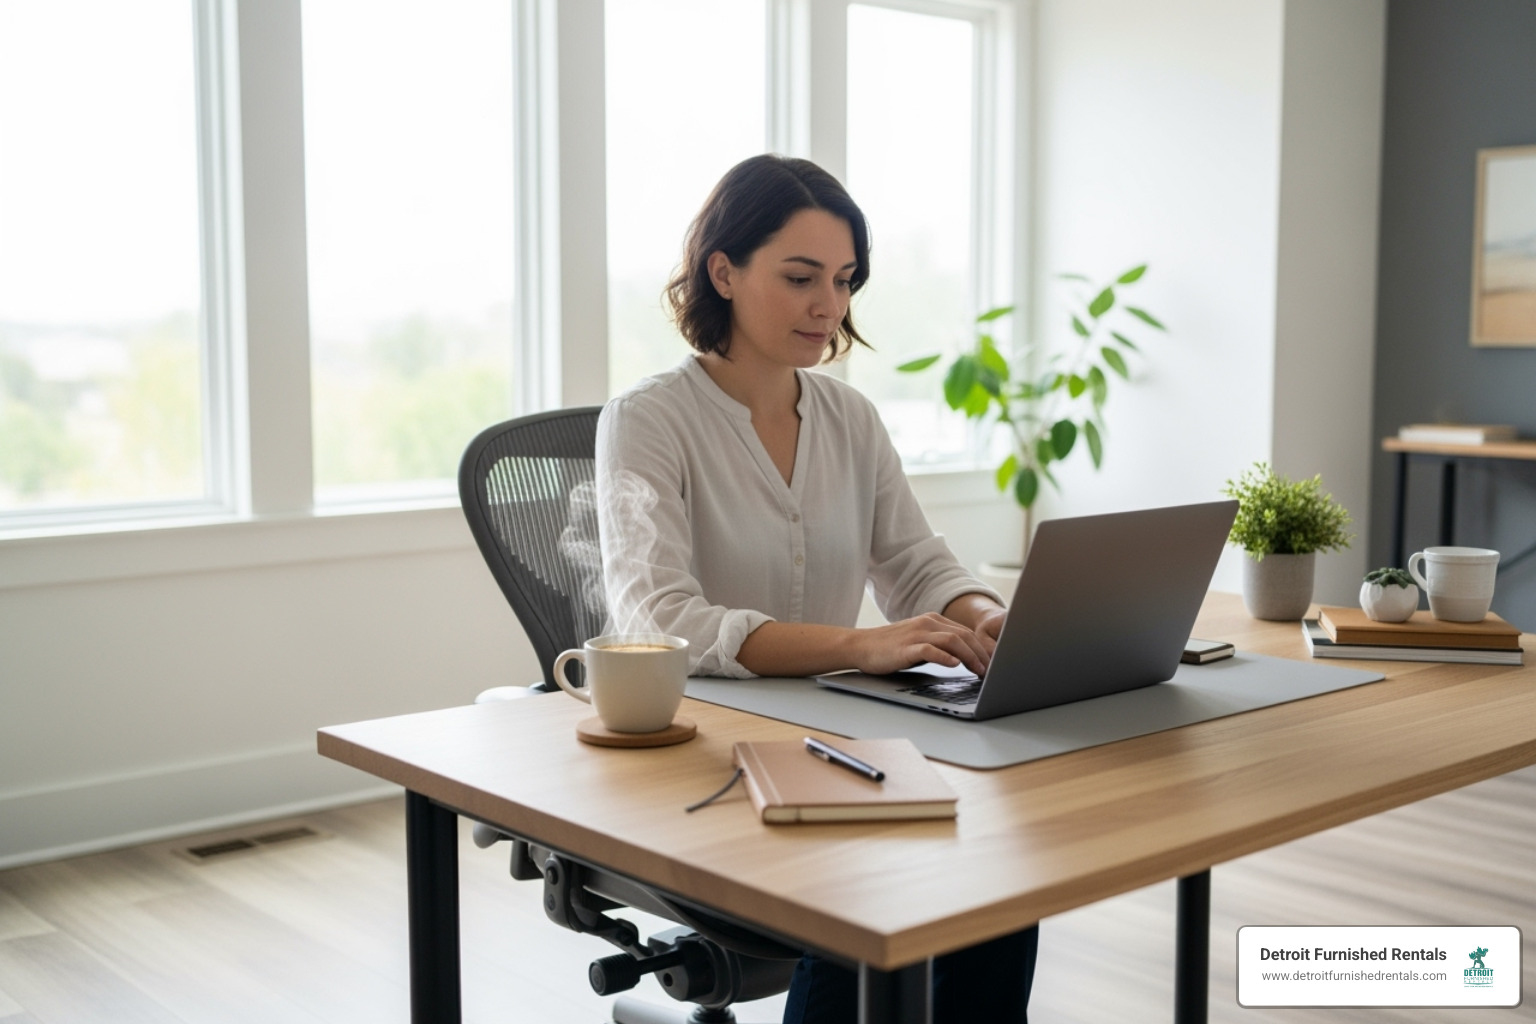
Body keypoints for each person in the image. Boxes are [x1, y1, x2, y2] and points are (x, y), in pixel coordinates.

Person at [596, 153, 1037, 1022]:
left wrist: (996, 620)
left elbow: (916, 560)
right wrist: (862, 645)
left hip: (835, 745)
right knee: (871, 888)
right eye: (800, 278)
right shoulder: (648, 420)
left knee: (999, 878)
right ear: (723, 271)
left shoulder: (850, 418)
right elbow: (663, 616)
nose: (828, 306)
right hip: (706, 758)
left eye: (843, 280)